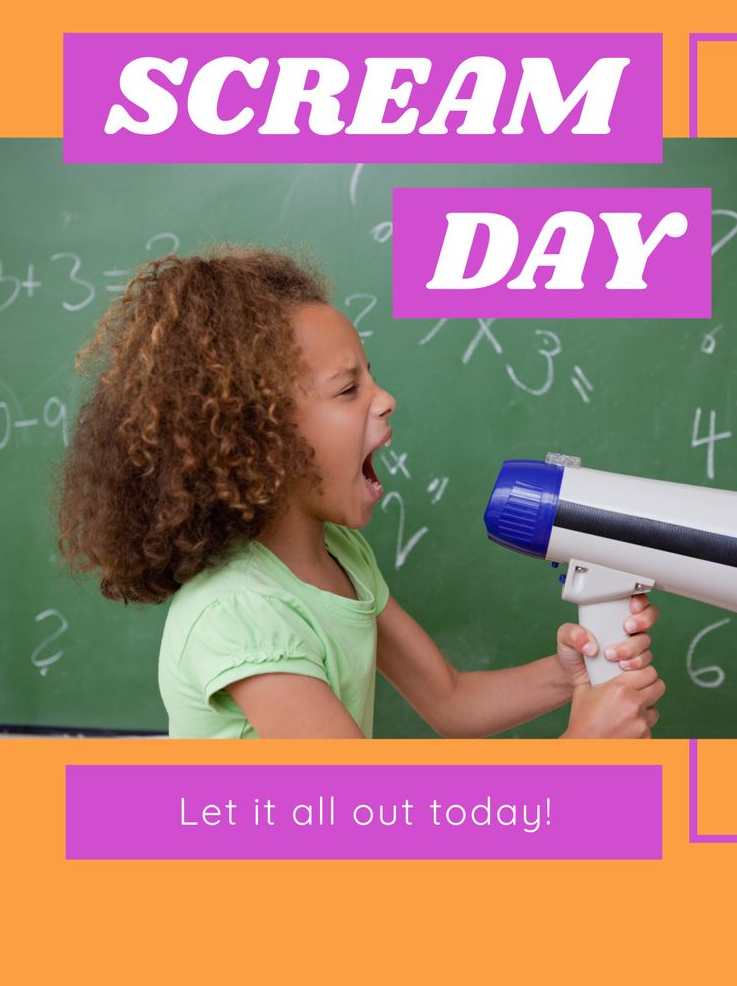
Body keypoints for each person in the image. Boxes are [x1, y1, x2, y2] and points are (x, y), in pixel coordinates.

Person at [57, 246, 665, 739]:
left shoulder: (342, 558)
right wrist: (584, 754)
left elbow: (451, 700)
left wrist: (572, 675)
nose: (384, 397)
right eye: (348, 389)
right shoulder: (240, 617)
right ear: (259, 434)